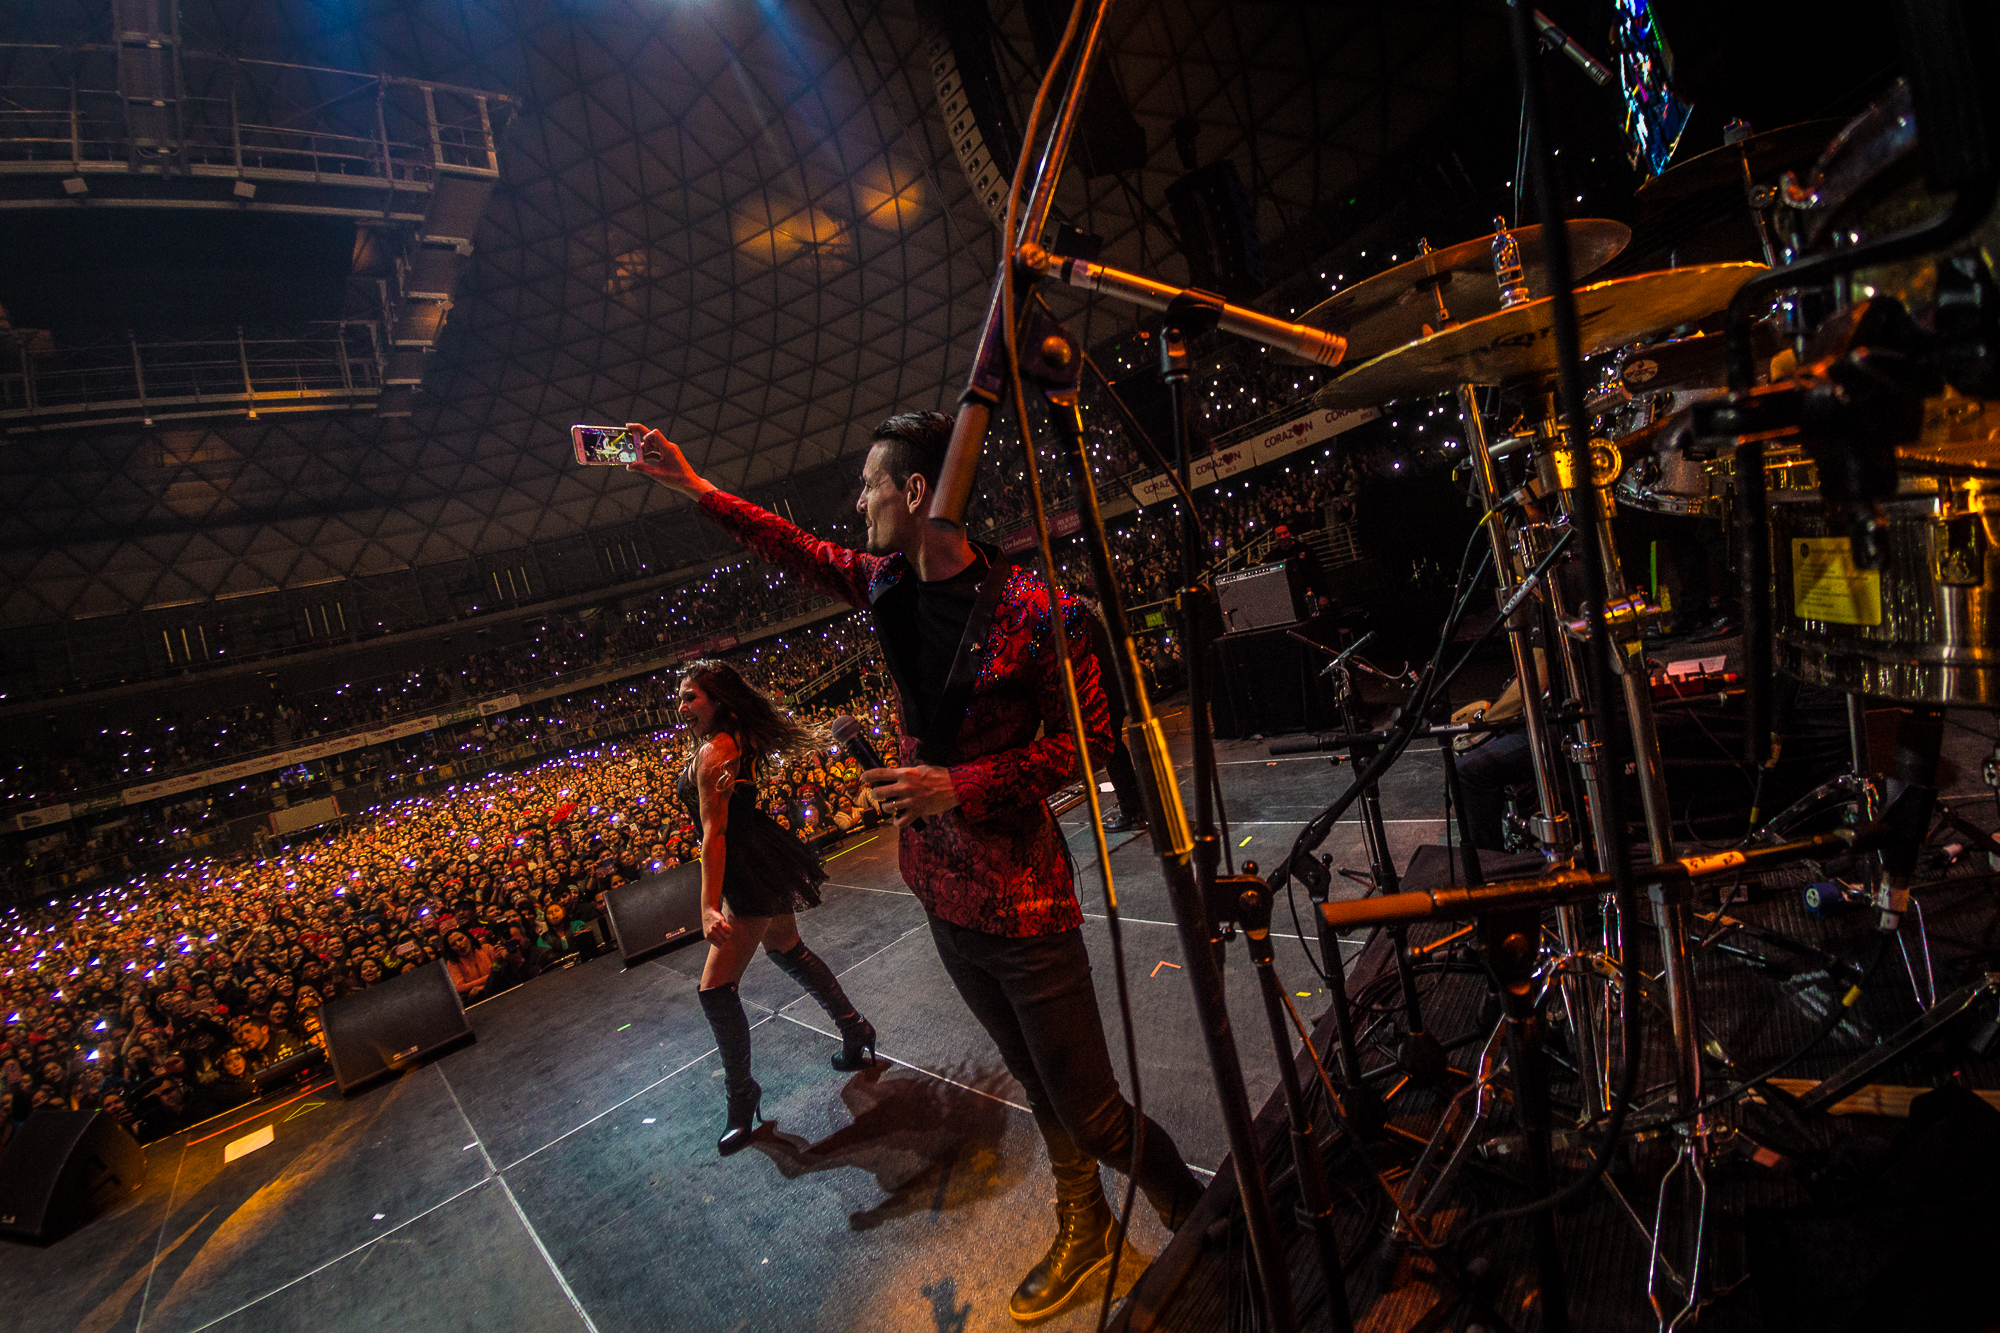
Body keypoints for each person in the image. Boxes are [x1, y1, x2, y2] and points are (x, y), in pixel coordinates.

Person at [629, 412, 1203, 1322]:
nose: (857, 502)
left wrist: (958, 783)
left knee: (1093, 1111)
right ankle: (1086, 1222)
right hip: (940, 893)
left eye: (870, 485)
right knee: (1033, 1079)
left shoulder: (1041, 613)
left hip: (1022, 900)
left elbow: (1089, 743)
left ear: (915, 491)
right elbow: (790, 547)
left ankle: (1203, 1221)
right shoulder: (886, 584)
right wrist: (695, 487)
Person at [674, 659, 878, 1156]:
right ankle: (856, 1030)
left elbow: (714, 833)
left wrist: (709, 906)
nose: (680, 708)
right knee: (788, 950)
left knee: (715, 990)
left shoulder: (717, 751)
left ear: (718, 699)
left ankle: (742, 1098)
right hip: (761, 855)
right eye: (679, 698)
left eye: (690, 697)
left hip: (747, 868)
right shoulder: (731, 738)